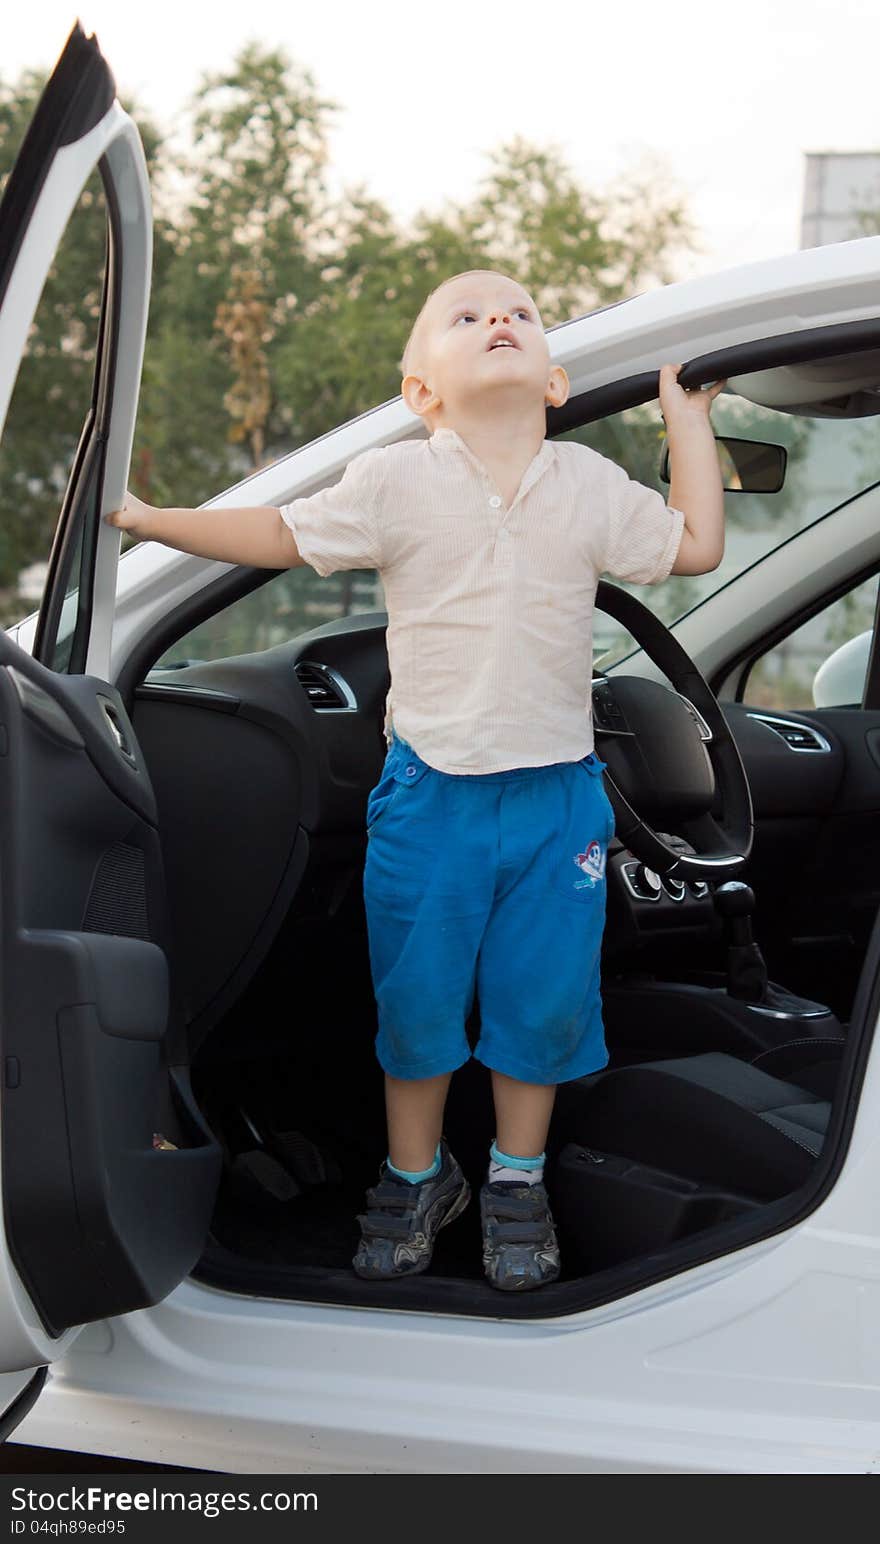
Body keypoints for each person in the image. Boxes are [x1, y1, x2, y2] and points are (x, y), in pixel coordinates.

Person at [107, 269, 725, 1293]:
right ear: (421, 391)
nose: (497, 318)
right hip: (430, 794)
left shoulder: (584, 485)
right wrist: (153, 519)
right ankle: (416, 1173)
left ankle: (515, 1180)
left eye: (521, 312)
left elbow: (695, 542)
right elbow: (276, 534)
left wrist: (685, 419)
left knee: (541, 1006)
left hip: (554, 798)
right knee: (419, 1005)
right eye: (466, 314)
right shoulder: (396, 484)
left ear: (555, 380)